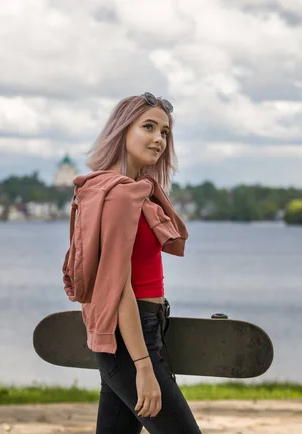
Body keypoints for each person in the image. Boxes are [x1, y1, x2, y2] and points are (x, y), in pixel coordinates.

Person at [61, 92, 202, 433]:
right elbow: (117, 286)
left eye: (165, 132)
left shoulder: (127, 189)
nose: (159, 139)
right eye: (149, 127)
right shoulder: (121, 193)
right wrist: (142, 365)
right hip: (131, 338)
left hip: (142, 330)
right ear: (123, 130)